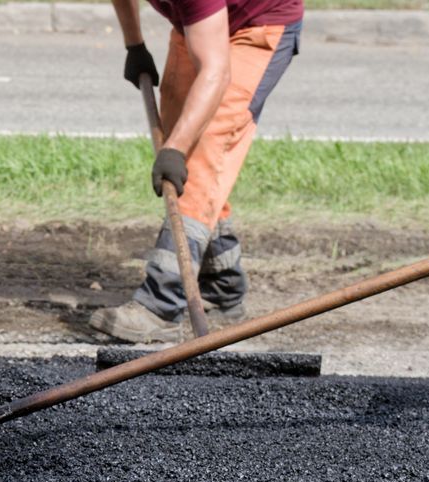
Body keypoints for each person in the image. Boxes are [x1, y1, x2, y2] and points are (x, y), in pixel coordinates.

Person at [87, 0, 302, 343]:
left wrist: (176, 149)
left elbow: (216, 72)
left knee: (199, 156)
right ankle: (221, 282)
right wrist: (134, 45)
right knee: (181, 138)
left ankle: (160, 305)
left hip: (257, 27)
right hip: (199, 24)